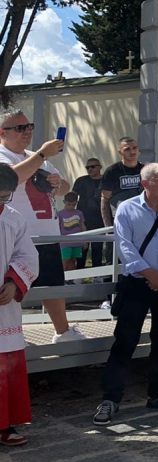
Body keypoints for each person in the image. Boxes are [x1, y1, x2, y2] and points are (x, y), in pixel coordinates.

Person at [93, 164, 158, 426]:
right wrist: (151, 274)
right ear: (145, 183)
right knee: (124, 342)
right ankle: (110, 399)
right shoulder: (127, 209)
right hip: (137, 284)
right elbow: (124, 246)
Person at [0, 109, 86, 344]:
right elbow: (8, 179)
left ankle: (63, 332)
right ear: (2, 133)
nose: (27, 132)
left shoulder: (38, 157)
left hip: (48, 234)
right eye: (20, 128)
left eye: (29, 126)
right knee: (12, 290)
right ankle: (12, 335)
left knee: (53, 286)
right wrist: (41, 154)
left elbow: (66, 187)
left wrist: (58, 183)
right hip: (15, 238)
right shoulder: (3, 156)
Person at [0, 164, 39, 446]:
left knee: (6, 363)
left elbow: (28, 256)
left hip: (4, 306)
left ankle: (5, 425)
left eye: (5, 197)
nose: (1, 202)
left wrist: (14, 283)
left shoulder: (14, 219)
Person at [100, 136, 145, 229]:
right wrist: (108, 228)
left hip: (142, 220)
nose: (132, 152)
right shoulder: (112, 171)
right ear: (120, 152)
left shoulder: (145, 170)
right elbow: (105, 200)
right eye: (127, 149)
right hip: (121, 221)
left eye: (134, 148)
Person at [71, 157, 105, 269]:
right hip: (83, 220)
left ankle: (97, 276)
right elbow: (72, 198)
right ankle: (79, 275)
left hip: (100, 220)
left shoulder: (106, 181)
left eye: (93, 166)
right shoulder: (81, 181)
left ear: (100, 167)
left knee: (97, 249)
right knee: (81, 249)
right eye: (87, 167)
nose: (90, 169)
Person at [56, 192, 86, 271]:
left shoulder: (79, 213)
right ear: (64, 202)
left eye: (73, 204)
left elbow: (82, 226)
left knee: (73, 261)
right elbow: (57, 228)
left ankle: (71, 279)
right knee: (65, 260)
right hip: (65, 242)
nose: (71, 206)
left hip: (77, 242)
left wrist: (85, 240)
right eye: (69, 204)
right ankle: (63, 279)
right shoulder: (60, 214)